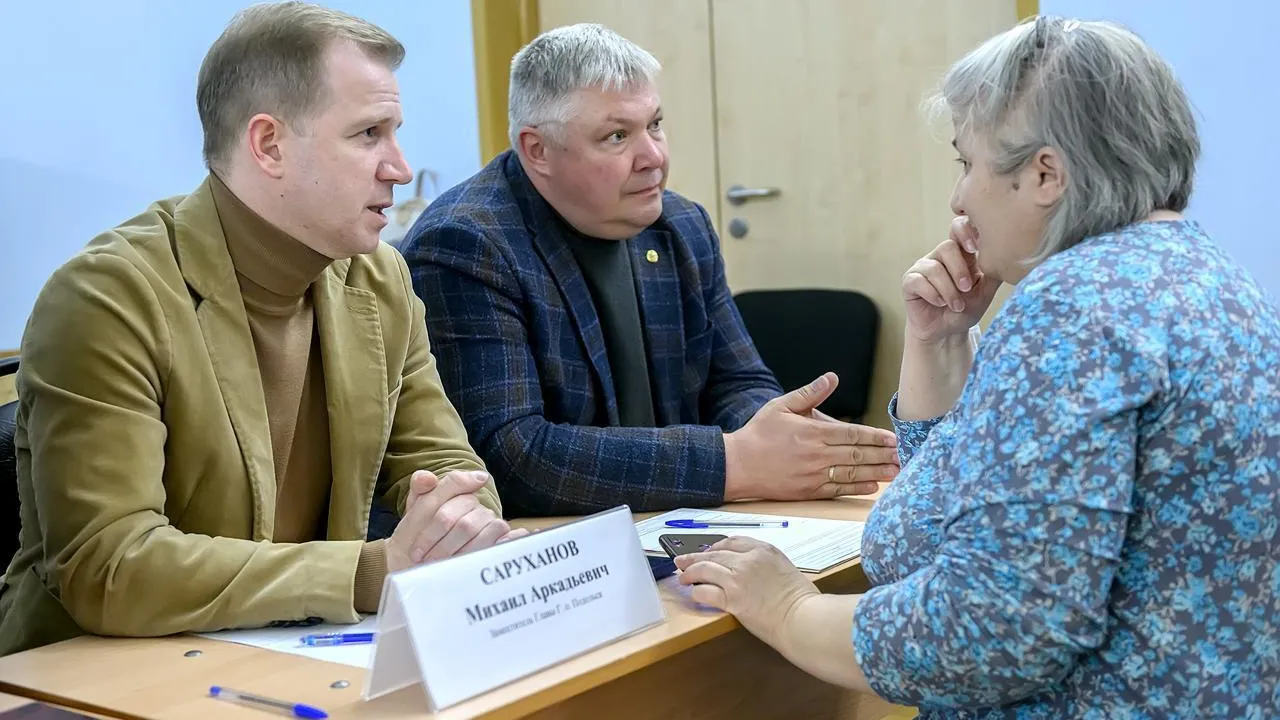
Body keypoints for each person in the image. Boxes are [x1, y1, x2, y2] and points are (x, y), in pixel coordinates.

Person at [670, 16, 1280, 718]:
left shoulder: (1072, 310)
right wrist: (940, 342)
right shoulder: (1212, 280)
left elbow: (990, 629)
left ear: (1045, 174)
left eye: (968, 164)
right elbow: (948, 526)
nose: (958, 199)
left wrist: (787, 609)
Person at [0, 2, 524, 656]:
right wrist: (366, 571)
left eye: (395, 133)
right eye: (369, 134)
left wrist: (459, 527)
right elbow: (109, 566)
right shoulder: (108, 296)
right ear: (269, 144)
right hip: (90, 675)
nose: (399, 166)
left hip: (292, 652)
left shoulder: (379, 279)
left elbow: (449, 469)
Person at [400, 24, 899, 517]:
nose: (654, 157)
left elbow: (734, 380)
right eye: (617, 136)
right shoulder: (466, 244)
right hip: (549, 544)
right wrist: (733, 462)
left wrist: (779, 434)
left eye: (655, 124)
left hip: (678, 520)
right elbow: (510, 455)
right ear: (538, 150)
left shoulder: (681, 225)